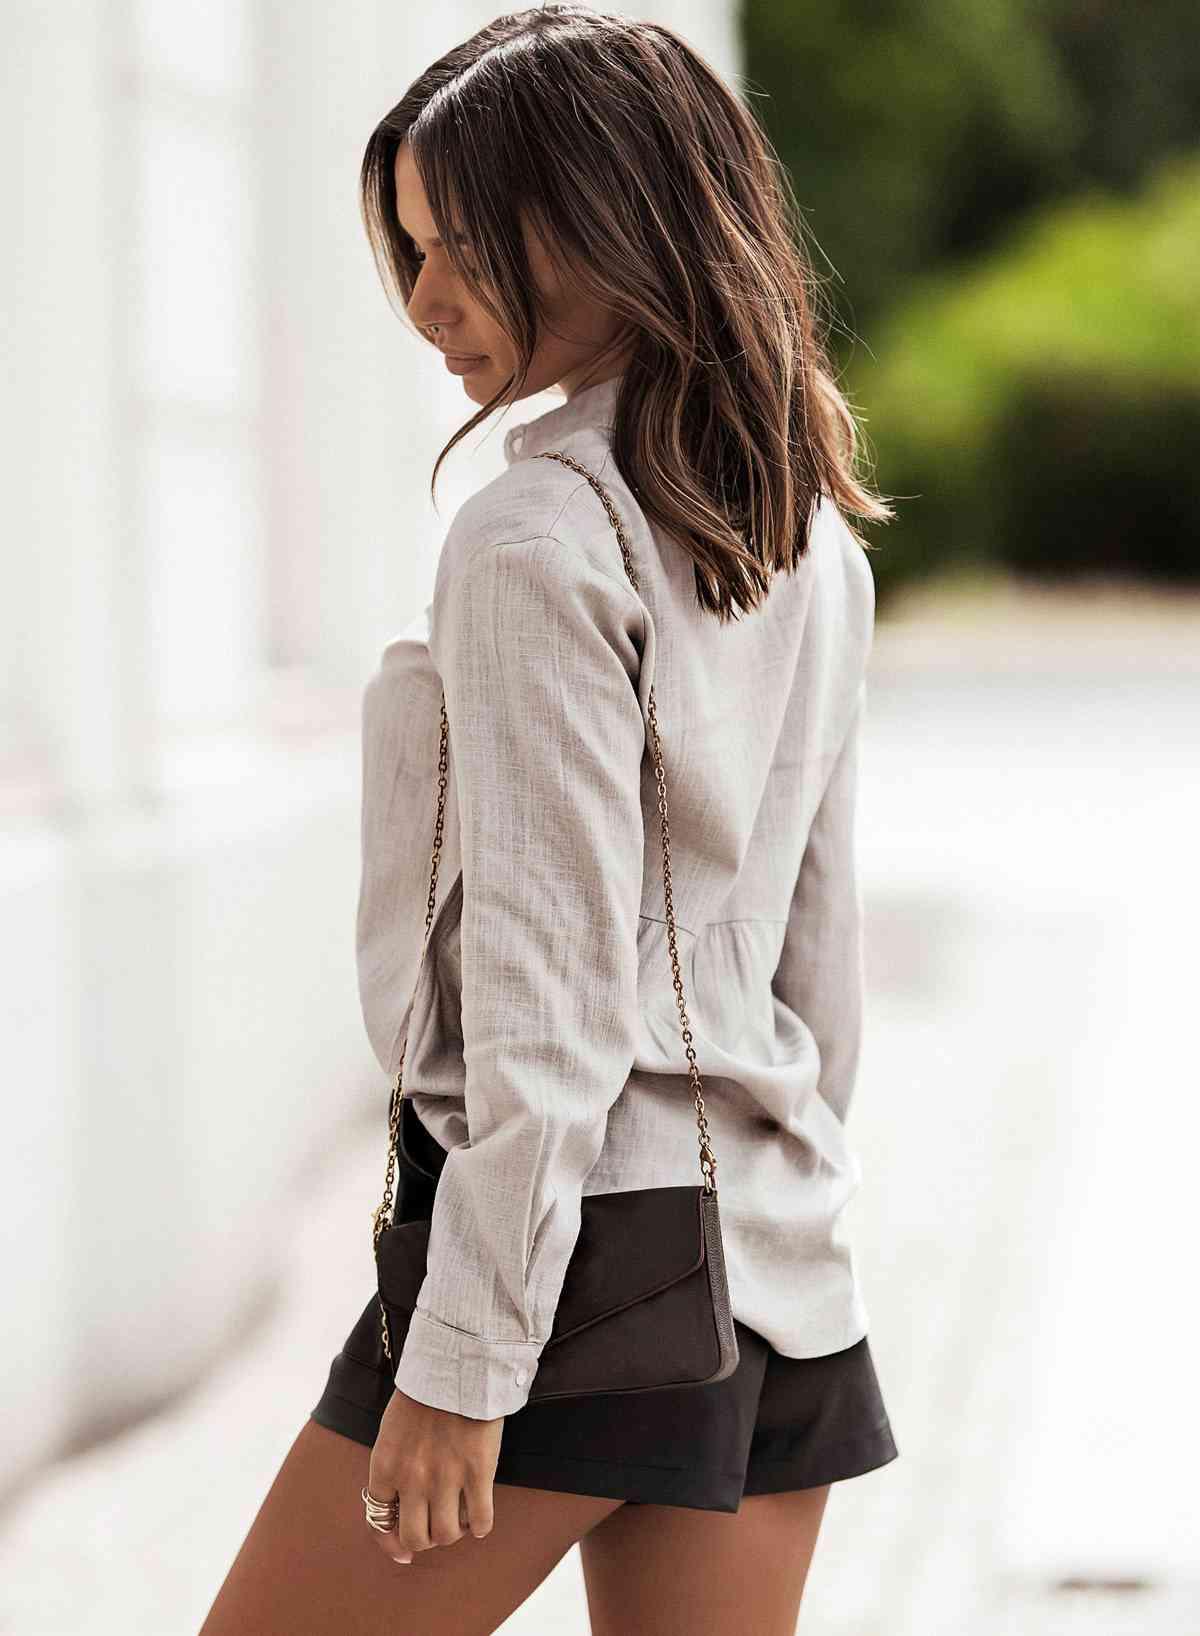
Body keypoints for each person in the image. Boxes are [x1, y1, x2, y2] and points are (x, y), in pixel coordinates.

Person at [199, 7, 899, 1633]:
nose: (429, 305)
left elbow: (549, 993)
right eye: (414, 253)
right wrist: (788, 1189)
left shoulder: (534, 537)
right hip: (779, 1268)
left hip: (569, 1270)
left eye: (468, 250)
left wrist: (461, 1362)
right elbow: (823, 966)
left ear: (606, 225)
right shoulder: (805, 531)